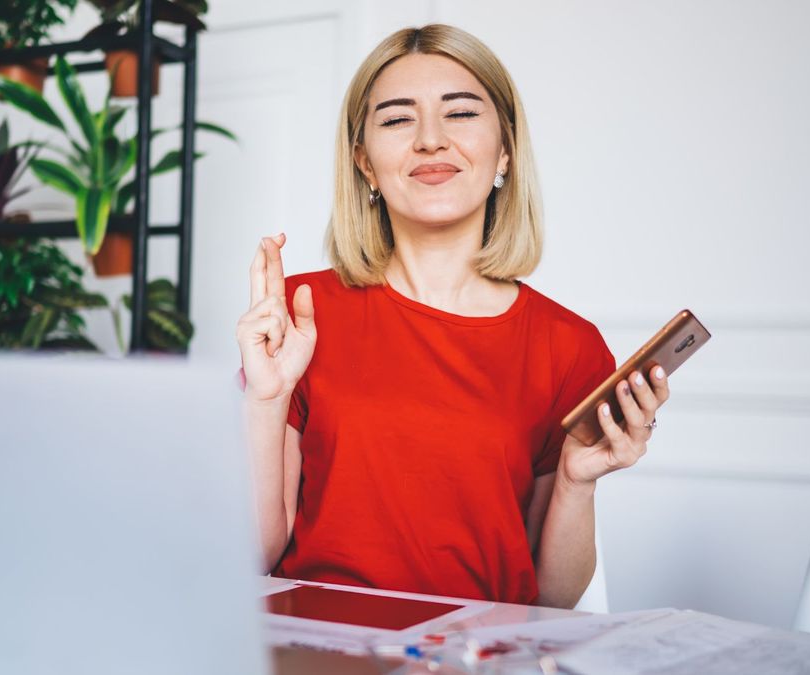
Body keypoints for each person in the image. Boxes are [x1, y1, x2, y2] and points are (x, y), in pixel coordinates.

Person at [235, 24, 670, 609]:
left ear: (506, 150)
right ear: (364, 162)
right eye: (396, 120)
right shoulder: (301, 314)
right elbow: (252, 556)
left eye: (460, 114)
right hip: (325, 652)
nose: (430, 141)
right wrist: (266, 401)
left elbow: (552, 601)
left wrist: (576, 479)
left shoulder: (569, 347)